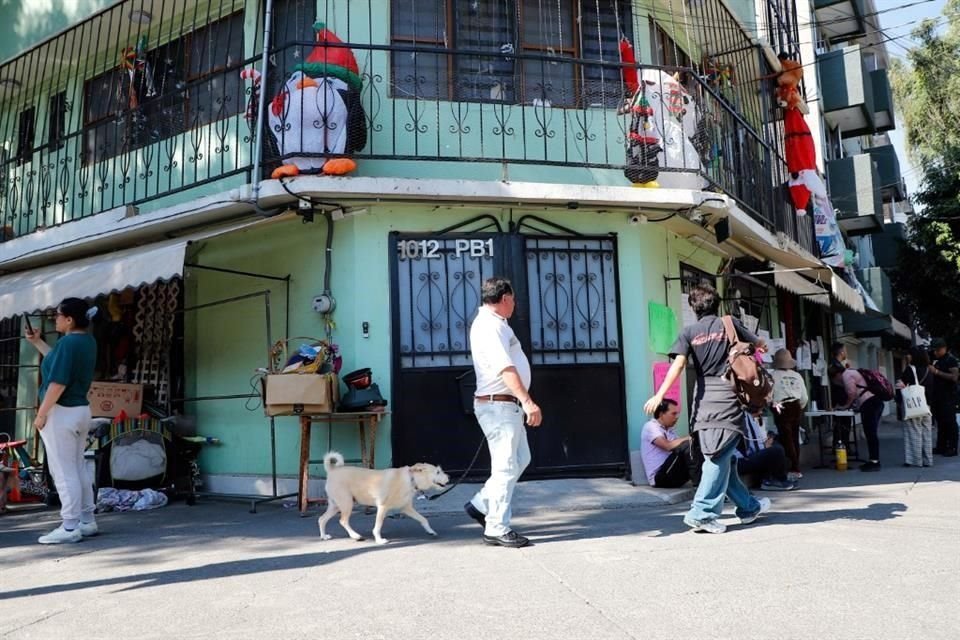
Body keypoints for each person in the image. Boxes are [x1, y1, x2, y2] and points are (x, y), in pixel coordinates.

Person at [644, 284, 771, 535]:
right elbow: (760, 345)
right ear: (717, 303)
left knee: (723, 457)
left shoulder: (688, 332)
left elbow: (678, 367)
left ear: (693, 309)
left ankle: (748, 507)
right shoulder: (729, 323)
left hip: (701, 403)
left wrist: (659, 395)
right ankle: (701, 513)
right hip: (726, 398)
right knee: (717, 457)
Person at [463, 277, 542, 548]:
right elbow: (505, 367)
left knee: (521, 458)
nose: (515, 304)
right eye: (514, 299)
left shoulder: (496, 324)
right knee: (506, 466)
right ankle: (496, 527)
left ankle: (480, 504)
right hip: (499, 405)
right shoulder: (490, 326)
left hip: (505, 405)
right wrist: (528, 401)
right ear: (505, 298)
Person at [24, 298, 99, 544]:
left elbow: (57, 383)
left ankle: (69, 527)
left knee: (63, 470)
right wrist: (37, 343)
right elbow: (58, 361)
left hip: (61, 412)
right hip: (80, 410)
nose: (54, 318)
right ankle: (87, 520)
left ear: (69, 319)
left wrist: (41, 413)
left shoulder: (67, 343)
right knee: (77, 467)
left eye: (57, 315)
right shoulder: (86, 341)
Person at [830, 362, 884, 471]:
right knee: (871, 433)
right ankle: (874, 460)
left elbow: (852, 393)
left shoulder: (846, 375)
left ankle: (874, 461)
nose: (837, 382)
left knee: (870, 433)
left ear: (836, 375)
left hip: (870, 403)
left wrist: (845, 406)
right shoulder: (853, 372)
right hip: (876, 402)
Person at [640, 399, 698, 488]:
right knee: (688, 445)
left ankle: (709, 484)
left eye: (677, 414)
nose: (677, 417)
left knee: (696, 446)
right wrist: (690, 438)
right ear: (661, 414)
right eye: (673, 414)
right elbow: (667, 446)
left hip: (672, 473)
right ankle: (698, 485)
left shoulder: (670, 431)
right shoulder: (650, 427)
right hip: (660, 477)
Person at [771, 348, 808, 482]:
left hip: (781, 406)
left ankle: (793, 467)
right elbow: (804, 396)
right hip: (796, 405)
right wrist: (800, 406)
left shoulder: (773, 375)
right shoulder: (797, 376)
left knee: (786, 438)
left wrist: (772, 405)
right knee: (794, 436)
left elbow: (769, 395)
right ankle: (795, 466)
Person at [736, 411, 794, 491]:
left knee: (781, 452)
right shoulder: (740, 416)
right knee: (776, 451)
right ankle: (772, 481)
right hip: (739, 460)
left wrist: (766, 443)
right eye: (759, 410)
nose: (761, 412)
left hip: (749, 455)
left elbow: (756, 440)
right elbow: (750, 444)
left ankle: (776, 479)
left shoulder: (748, 417)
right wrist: (764, 446)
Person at [898, 347, 934, 467]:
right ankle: (928, 460)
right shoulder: (929, 370)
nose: (908, 357)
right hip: (926, 406)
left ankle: (915, 460)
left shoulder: (910, 369)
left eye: (909, 355)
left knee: (914, 432)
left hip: (913, 406)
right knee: (927, 433)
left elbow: (901, 385)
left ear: (914, 356)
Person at [928, 338, 959, 457]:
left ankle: (952, 447)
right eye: (934, 350)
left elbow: (954, 377)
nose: (935, 352)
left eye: (938, 349)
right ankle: (941, 446)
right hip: (937, 396)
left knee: (950, 422)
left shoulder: (950, 360)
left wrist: (936, 372)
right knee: (940, 423)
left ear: (944, 348)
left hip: (948, 396)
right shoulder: (937, 359)